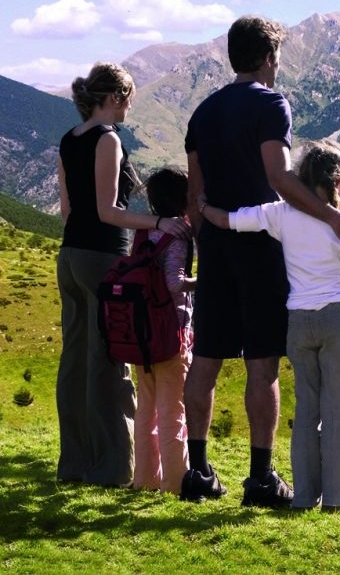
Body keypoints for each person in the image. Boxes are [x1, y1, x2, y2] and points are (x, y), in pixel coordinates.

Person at [181, 16, 340, 506]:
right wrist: (335, 220)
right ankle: (260, 479)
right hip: (260, 247)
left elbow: (195, 195)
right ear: (267, 57)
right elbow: (280, 178)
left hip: (215, 244)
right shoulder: (270, 103)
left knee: (205, 360)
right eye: (277, 58)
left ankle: (197, 473)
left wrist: (203, 248)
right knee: (261, 365)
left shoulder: (203, 112)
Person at [201, 140, 340, 512]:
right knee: (338, 413)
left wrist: (203, 207)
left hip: (298, 322)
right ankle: (338, 499)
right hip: (336, 318)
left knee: (306, 411)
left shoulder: (280, 213)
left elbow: (230, 220)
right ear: (337, 181)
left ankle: (305, 496)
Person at [56, 63, 191, 487]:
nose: (130, 106)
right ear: (114, 98)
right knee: (108, 359)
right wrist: (159, 223)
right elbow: (107, 211)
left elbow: (67, 210)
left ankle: (74, 462)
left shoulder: (69, 138)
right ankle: (112, 467)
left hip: (69, 256)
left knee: (74, 360)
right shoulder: (108, 139)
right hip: (103, 258)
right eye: (129, 98)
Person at [132, 168, 196, 494]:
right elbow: (174, 283)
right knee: (173, 411)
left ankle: (144, 478)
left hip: (140, 332)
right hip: (171, 332)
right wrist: (205, 281)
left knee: (146, 409)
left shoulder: (144, 231)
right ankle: (176, 482)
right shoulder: (179, 235)